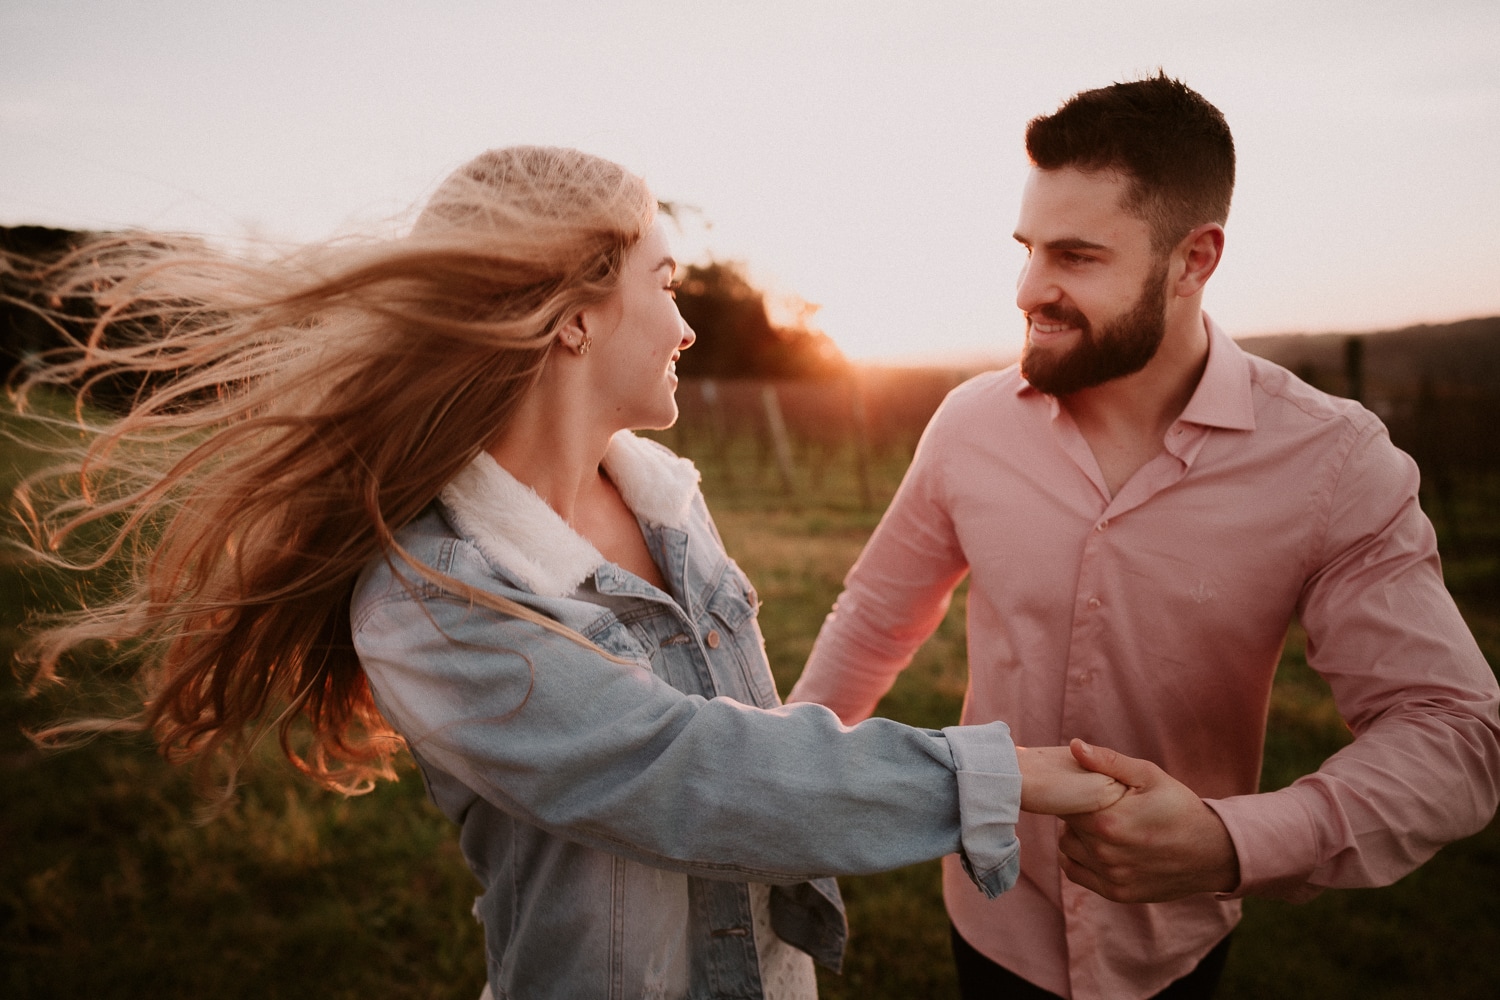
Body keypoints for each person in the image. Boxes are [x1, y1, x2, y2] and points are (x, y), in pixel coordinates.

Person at [7, 146, 1127, 1000]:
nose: (687, 326)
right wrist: (1006, 778)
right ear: (577, 315)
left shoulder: (669, 498)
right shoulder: (433, 598)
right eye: (665, 281)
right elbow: (691, 772)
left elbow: (758, 745)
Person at [789, 73, 1500, 1000]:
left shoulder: (1335, 464)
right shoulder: (969, 426)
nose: (1028, 290)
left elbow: (1452, 733)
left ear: (1194, 259)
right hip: (993, 912)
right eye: (1028, 249)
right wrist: (780, 788)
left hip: (1179, 945)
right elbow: (878, 616)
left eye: (1076, 257)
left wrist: (1230, 841)